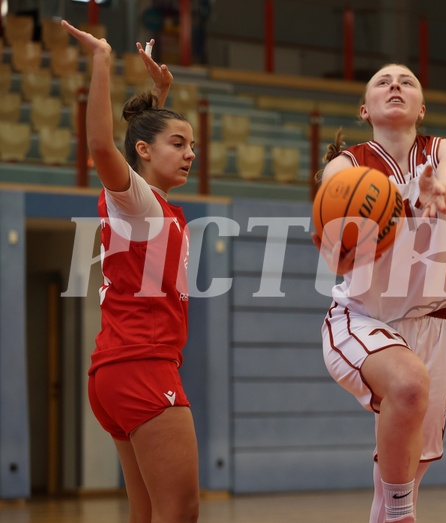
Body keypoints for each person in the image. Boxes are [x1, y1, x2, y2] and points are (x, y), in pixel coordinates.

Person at [312, 63, 446, 522]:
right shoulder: (346, 165)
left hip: (434, 326)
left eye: (407, 81)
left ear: (423, 109)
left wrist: (440, 190)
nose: (396, 85)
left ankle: (395, 514)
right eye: (383, 81)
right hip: (363, 318)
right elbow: (332, 247)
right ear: (365, 110)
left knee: (402, 479)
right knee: (405, 384)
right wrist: (358, 234)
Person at [62, 20, 200, 523]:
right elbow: (102, 145)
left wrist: (160, 93)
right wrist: (101, 60)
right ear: (143, 152)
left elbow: (139, 137)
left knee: (147, 513)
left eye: (192, 146)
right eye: (179, 144)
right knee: (180, 511)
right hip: (143, 364)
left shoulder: (151, 206)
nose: (190, 154)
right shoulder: (138, 202)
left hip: (116, 369)